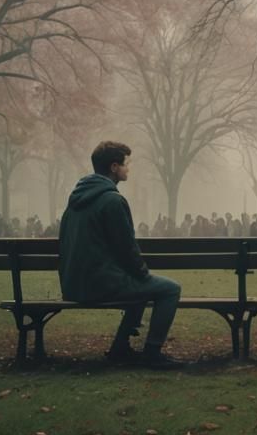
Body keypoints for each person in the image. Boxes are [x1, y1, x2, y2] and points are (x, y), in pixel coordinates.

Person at [59, 141, 184, 369]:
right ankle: (153, 352)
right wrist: (143, 274)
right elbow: (126, 248)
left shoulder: (75, 201)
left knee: (139, 285)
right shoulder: (112, 201)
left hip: (73, 284)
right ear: (114, 167)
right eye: (126, 164)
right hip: (100, 284)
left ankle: (120, 347)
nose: (129, 169)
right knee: (169, 289)